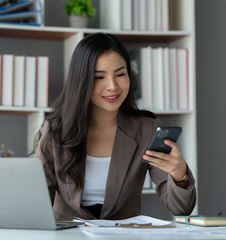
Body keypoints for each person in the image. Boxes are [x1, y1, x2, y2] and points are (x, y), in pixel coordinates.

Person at [33, 32, 196, 220]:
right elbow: (35, 202)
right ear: (82, 81)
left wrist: (179, 173)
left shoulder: (147, 129)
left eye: (120, 74)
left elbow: (181, 209)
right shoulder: (55, 131)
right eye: (99, 77)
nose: (112, 86)